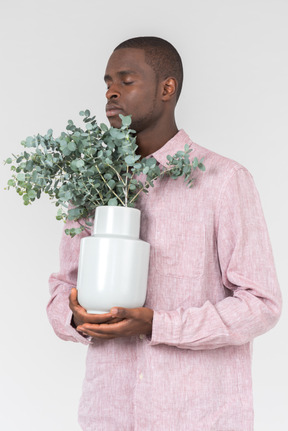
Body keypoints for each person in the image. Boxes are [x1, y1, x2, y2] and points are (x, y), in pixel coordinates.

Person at [47, 37, 282, 430]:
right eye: (107, 81)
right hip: (109, 414)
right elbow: (62, 287)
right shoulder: (94, 184)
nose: (111, 91)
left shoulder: (224, 181)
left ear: (166, 88)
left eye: (127, 79)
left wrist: (157, 324)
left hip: (198, 416)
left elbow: (262, 304)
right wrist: (74, 317)